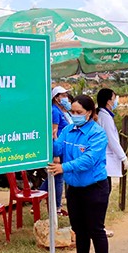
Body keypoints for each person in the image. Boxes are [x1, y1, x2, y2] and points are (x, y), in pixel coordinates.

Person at [48, 94, 110, 253]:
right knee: (79, 228)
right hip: (74, 188)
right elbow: (57, 149)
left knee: (96, 229)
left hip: (95, 188)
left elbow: (89, 160)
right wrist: (46, 140)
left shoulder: (97, 134)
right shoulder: (68, 130)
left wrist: (63, 168)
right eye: (72, 112)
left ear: (89, 113)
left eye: (79, 112)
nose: (75, 115)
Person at [96, 89, 128, 237]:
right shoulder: (105, 117)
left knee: (103, 192)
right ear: (109, 101)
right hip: (105, 161)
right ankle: (99, 226)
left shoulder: (104, 115)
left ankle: (98, 225)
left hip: (104, 160)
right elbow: (113, 141)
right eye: (114, 99)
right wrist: (124, 158)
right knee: (103, 194)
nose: (115, 101)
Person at [41, 85, 72, 215]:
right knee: (58, 178)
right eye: (63, 95)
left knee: (55, 177)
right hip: (58, 148)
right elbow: (54, 133)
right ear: (56, 97)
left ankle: (37, 197)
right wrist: (56, 154)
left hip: (63, 147)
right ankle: (57, 207)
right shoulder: (54, 111)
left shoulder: (62, 111)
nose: (66, 98)